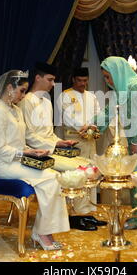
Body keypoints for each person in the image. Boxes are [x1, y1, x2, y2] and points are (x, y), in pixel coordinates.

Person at [0, 71, 69, 261]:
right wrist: (25, 153)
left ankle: (43, 231)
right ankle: (42, 234)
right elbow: (0, 149)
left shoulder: (17, 110)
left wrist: (32, 151)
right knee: (50, 178)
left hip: (18, 160)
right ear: (9, 88)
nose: (23, 95)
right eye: (21, 91)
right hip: (2, 165)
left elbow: (19, 142)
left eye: (25, 91)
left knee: (53, 177)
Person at [19, 62, 105, 231]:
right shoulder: (26, 102)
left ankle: (84, 213)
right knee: (79, 168)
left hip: (50, 148)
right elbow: (29, 136)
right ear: (38, 78)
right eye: (50, 80)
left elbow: (49, 133)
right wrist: (54, 144)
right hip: (36, 153)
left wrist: (59, 141)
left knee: (90, 165)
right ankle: (74, 216)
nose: (53, 84)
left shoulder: (46, 102)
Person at [91, 56, 137, 229]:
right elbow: (110, 111)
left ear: (118, 73)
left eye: (108, 76)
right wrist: (94, 126)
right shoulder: (122, 88)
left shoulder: (136, 86)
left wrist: (136, 142)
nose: (107, 80)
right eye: (105, 77)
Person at [55, 67, 101, 216]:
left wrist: (92, 127)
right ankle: (75, 209)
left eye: (85, 80)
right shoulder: (65, 96)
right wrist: (84, 128)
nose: (83, 83)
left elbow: (97, 114)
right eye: (80, 80)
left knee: (91, 171)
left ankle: (90, 207)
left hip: (90, 139)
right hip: (73, 140)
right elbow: (68, 118)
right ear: (73, 79)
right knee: (76, 173)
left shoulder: (92, 97)